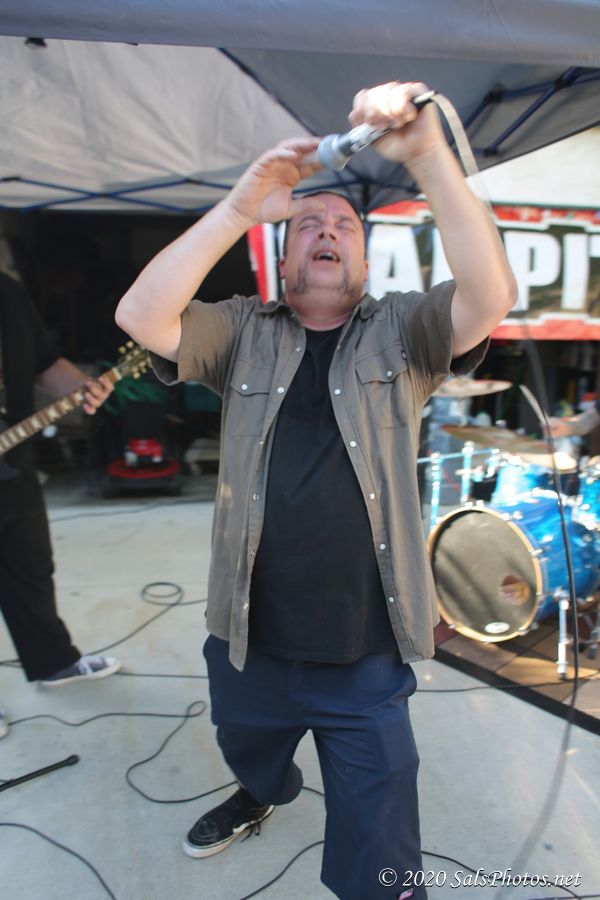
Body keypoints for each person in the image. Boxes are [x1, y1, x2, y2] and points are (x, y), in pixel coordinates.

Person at [115, 81, 516, 899]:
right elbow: (141, 315)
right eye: (307, 225)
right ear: (283, 257)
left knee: (382, 848)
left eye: (344, 226)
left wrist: (429, 158)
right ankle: (263, 790)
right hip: (247, 640)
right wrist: (237, 207)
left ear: (363, 262)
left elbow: (489, 297)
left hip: (365, 653)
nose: (327, 230)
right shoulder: (241, 330)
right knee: (248, 746)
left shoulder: (402, 330)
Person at [0, 271, 120, 741]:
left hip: (13, 458)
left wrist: (85, 387)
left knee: (31, 566)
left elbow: (45, 364)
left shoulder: (8, 292)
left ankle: (54, 662)